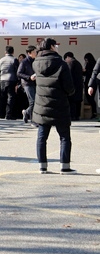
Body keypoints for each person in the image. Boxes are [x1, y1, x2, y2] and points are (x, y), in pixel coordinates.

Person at [32, 38, 75, 174]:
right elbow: (69, 87)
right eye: (56, 45)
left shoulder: (36, 63)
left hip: (42, 105)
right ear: (51, 47)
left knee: (42, 137)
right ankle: (65, 166)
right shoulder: (61, 64)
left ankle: (42, 166)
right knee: (64, 137)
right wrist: (71, 92)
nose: (57, 47)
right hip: (59, 104)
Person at [0, 45, 19, 119]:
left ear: (5, 52)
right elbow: (17, 71)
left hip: (2, 80)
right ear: (13, 52)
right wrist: (18, 82)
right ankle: (8, 114)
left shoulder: (1, 60)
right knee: (10, 97)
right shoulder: (14, 59)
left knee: (3, 97)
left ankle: (1, 114)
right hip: (11, 80)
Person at [17, 46, 37, 125]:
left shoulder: (36, 60)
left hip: (35, 83)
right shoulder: (24, 62)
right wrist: (29, 77)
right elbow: (19, 73)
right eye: (34, 52)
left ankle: (26, 112)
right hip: (27, 83)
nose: (36, 53)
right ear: (29, 53)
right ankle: (33, 121)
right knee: (33, 101)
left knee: (35, 102)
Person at [63, 51, 84, 121]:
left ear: (68, 57)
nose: (65, 61)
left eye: (65, 59)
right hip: (79, 86)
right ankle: (77, 116)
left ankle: (73, 116)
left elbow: (69, 75)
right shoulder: (78, 63)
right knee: (78, 102)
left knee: (72, 102)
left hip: (73, 86)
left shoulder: (71, 63)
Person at [82, 53, 97, 119]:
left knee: (89, 98)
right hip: (94, 83)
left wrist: (84, 71)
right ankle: (94, 112)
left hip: (88, 83)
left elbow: (87, 73)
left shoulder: (89, 65)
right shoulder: (95, 63)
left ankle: (94, 112)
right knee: (92, 98)